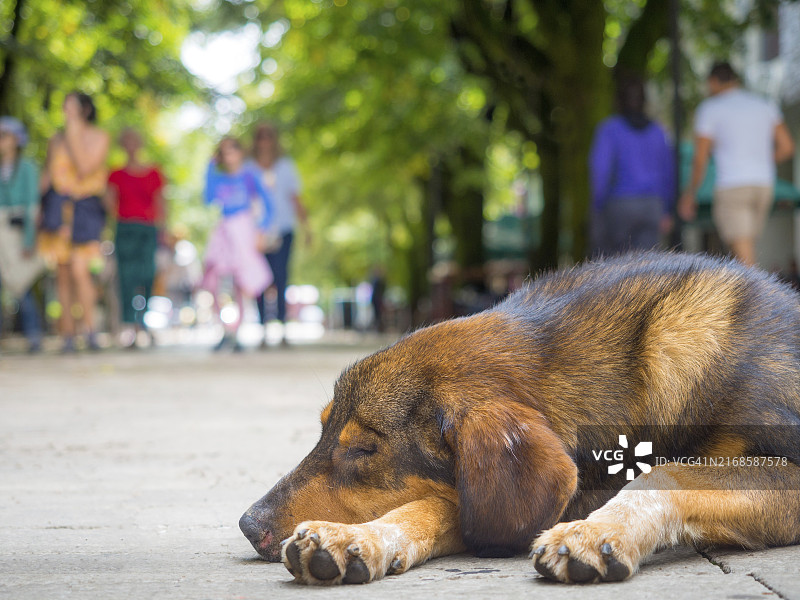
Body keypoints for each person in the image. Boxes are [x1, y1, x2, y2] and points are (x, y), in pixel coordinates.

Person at [679, 62, 795, 266]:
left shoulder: (710, 108)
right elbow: (787, 147)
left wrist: (690, 194)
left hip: (732, 186)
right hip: (763, 185)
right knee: (746, 251)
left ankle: (762, 298)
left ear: (713, 82)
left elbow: (700, 158)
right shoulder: (764, 104)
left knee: (745, 260)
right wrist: (760, 160)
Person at [39, 92, 110, 352]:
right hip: (58, 207)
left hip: (85, 207)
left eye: (72, 106)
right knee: (63, 273)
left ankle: (90, 331)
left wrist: (73, 132)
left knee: (81, 270)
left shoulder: (98, 136)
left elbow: (84, 167)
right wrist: (38, 208)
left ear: (85, 110)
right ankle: (67, 335)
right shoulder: (56, 139)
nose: (66, 110)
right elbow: (48, 175)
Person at [589, 76, 675, 255]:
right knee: (646, 268)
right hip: (652, 207)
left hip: (619, 206)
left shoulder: (610, 129)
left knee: (614, 269)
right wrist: (666, 209)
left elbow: (600, 170)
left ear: (618, 101)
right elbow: (668, 173)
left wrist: (598, 206)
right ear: (645, 101)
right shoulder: (658, 132)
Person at [202, 136, 274, 352]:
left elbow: (268, 205)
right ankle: (224, 330)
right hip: (224, 231)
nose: (228, 156)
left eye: (232, 151)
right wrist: (210, 166)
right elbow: (207, 198)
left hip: (244, 229)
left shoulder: (250, 175)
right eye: (224, 152)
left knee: (241, 283)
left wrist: (261, 231)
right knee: (214, 279)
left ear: (240, 152)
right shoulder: (219, 178)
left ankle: (236, 332)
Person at [249, 122, 309, 347]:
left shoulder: (286, 166)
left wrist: (307, 227)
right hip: (256, 232)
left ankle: (282, 327)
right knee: (260, 280)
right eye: (260, 136)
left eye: (268, 135)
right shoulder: (248, 167)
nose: (264, 140)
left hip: (283, 228)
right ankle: (263, 328)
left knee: (281, 276)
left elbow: (295, 198)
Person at [106, 128, 166, 348]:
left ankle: (144, 322)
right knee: (126, 276)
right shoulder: (116, 174)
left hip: (148, 229)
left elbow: (161, 202)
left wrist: (163, 230)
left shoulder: (154, 173)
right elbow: (109, 202)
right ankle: (128, 325)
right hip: (125, 228)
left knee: (147, 274)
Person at [0, 117, 44, 353]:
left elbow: (32, 207)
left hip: (18, 232)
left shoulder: (27, 167)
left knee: (22, 284)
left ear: (16, 140)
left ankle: (34, 334)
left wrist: (29, 239)